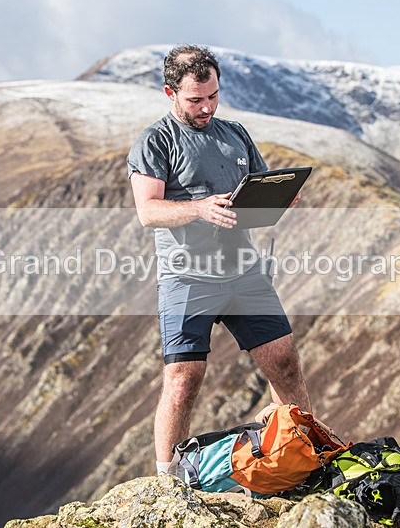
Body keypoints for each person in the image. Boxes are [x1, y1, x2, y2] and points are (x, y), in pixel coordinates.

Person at [127, 44, 311, 476]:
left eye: (213, 96)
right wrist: (198, 208)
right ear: (169, 93)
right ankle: (167, 482)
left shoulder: (236, 134)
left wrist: (281, 199)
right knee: (183, 380)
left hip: (244, 272)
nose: (206, 107)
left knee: (284, 360)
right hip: (187, 278)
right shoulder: (155, 141)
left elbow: (257, 201)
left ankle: (303, 452)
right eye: (195, 99)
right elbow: (148, 211)